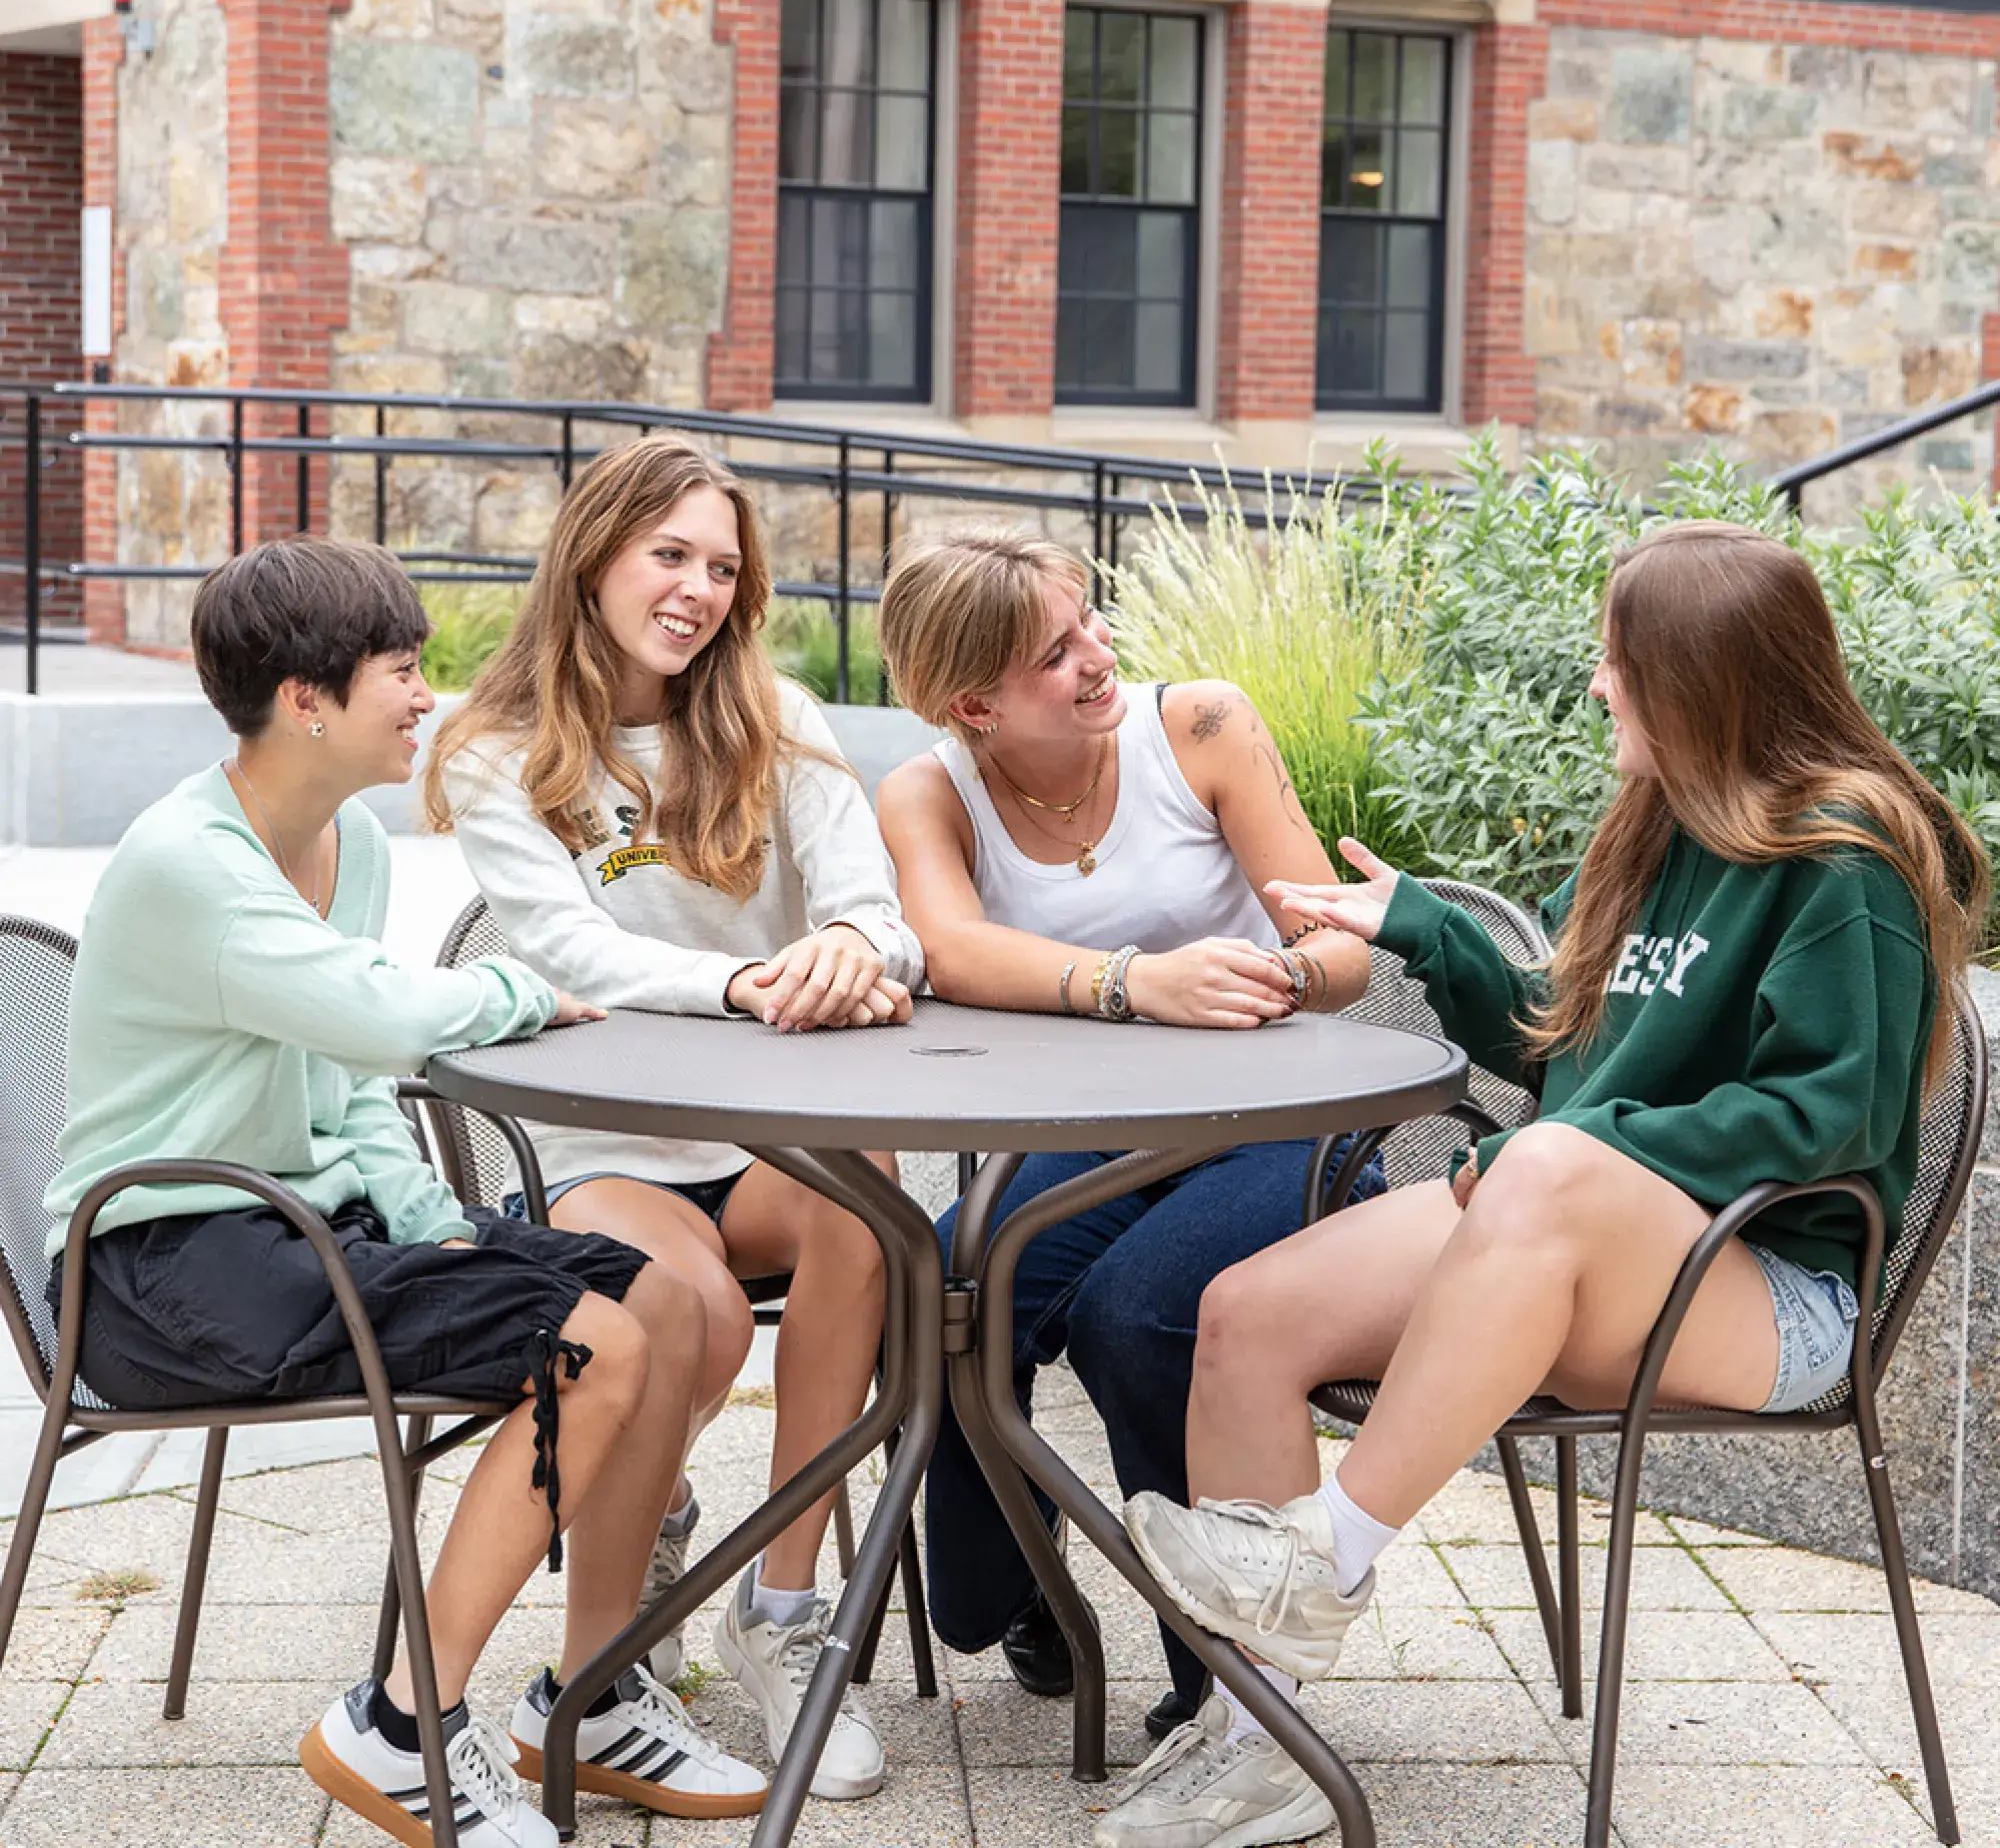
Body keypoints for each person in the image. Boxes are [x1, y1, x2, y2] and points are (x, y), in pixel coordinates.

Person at [1120, 521, 1989, 1848]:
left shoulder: (1844, 858)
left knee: (1555, 1163)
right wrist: (1422, 930)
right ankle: (1262, 1750)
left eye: (1619, 660)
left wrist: (1573, 1152)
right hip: (1585, 1241)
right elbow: (1568, 1038)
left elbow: (1832, 1113)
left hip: (1771, 1293)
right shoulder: (1660, 827)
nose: (1600, 684)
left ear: (1704, 677)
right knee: (1249, 1315)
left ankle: (1328, 1556)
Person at [45, 537, 768, 1848]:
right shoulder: (192, 864)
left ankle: (593, 1697)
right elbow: (386, 1019)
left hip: (301, 1226)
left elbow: (350, 1092)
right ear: (305, 700)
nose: (425, 695)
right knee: (597, 1336)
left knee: (657, 1301)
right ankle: (405, 1726)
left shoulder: (345, 846)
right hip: (158, 1264)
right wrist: (523, 988)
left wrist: (432, 1218)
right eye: (401, 670)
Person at [425, 434, 923, 1804]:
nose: (700, 590)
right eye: (670, 556)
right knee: (686, 1307)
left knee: (868, 1198)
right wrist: (754, 978)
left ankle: (777, 1607)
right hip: (603, 1146)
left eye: (723, 567)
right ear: (593, 556)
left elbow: (878, 908)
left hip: (765, 1147)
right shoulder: (498, 749)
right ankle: (613, 1642)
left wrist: (854, 950)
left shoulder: (780, 718)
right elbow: (568, 953)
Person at [872, 530, 1379, 1761]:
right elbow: (948, 949)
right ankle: (1032, 1572)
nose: (1097, 655)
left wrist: (1276, 970)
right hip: (1103, 1140)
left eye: (1087, 620)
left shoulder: (1198, 726)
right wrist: (1131, 982)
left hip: (1280, 1125)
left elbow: (1341, 948)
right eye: (1056, 653)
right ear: (970, 703)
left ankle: (1219, 1673)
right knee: (945, 1278)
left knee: (1139, 1309)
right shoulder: (928, 791)